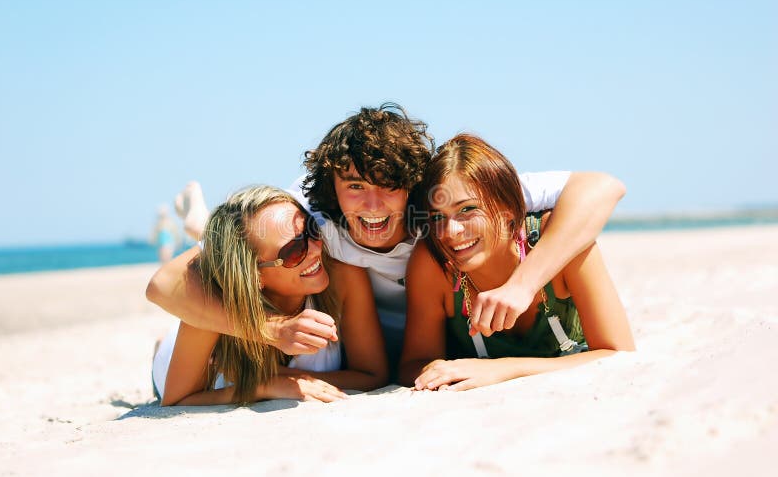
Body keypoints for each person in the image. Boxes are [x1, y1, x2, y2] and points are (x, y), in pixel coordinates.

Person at [146, 103, 626, 375]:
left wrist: (525, 283)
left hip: (432, 348)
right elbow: (165, 283)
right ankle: (200, 226)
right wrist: (269, 331)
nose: (372, 207)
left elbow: (602, 187)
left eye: (387, 186)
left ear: (412, 183)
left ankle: (198, 223)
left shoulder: (440, 205)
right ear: (332, 188)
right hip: (374, 353)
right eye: (355, 186)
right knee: (244, 251)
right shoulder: (314, 216)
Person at [398, 134, 635, 391]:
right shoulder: (434, 261)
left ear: (508, 209)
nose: (449, 231)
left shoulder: (560, 243)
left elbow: (618, 352)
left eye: (467, 209)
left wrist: (503, 369)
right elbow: (412, 364)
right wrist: (436, 371)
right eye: (436, 218)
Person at [152, 186, 387, 405]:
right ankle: (162, 342)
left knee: (224, 238)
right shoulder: (211, 304)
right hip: (171, 358)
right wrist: (261, 387)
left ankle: (198, 222)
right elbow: (176, 401)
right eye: (294, 250)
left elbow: (373, 375)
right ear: (255, 274)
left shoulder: (341, 276)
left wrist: (289, 377)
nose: (316, 249)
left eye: (313, 230)